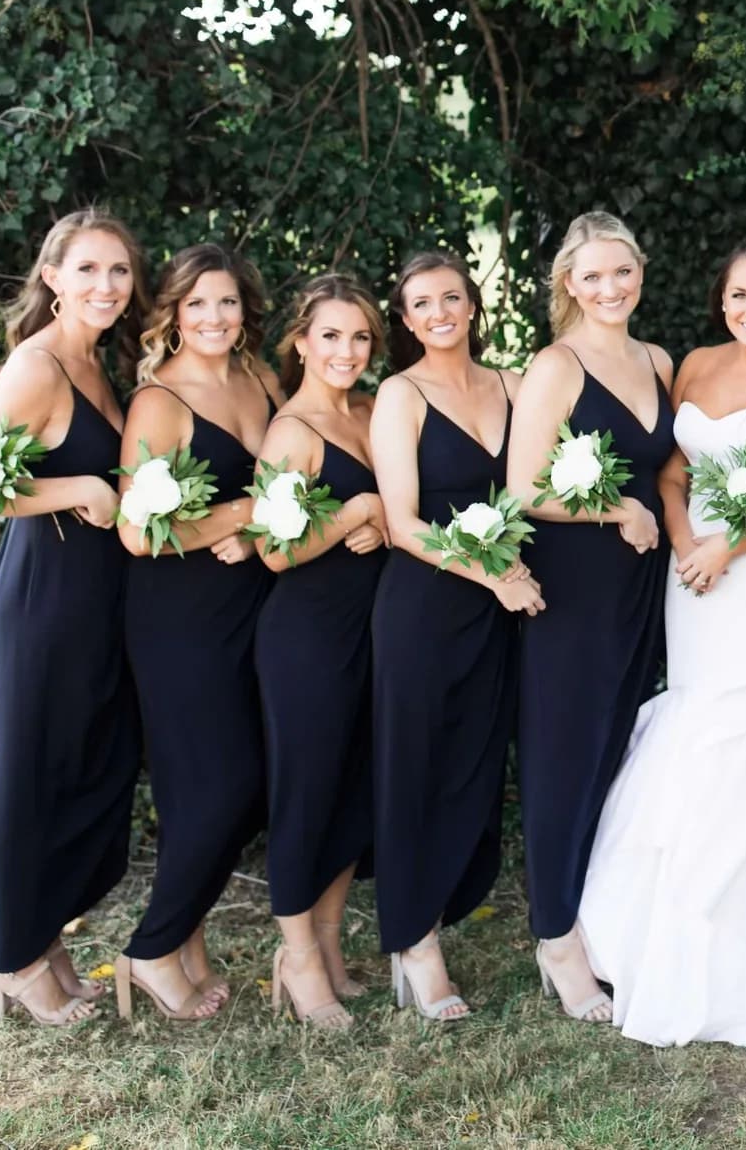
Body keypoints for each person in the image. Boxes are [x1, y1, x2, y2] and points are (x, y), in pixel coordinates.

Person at [579, 238, 746, 1046]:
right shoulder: (692, 365)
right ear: (720, 300)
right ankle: (653, 923)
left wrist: (733, 544)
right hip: (692, 575)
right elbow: (670, 477)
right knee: (695, 714)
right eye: (740, 296)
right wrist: (685, 542)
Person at [0, 209, 147, 1024]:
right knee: (35, 772)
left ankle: (43, 938)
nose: (106, 286)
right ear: (52, 278)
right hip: (44, 597)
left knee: (89, 763)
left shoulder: (98, 363)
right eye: (87, 270)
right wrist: (80, 488)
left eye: (118, 271)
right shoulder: (38, 364)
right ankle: (12, 960)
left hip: (97, 601)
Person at [507, 212, 675, 1023]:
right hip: (571, 588)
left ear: (640, 273)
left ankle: (597, 914)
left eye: (623, 272)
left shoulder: (659, 359)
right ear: (569, 284)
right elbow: (522, 489)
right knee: (562, 754)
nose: (611, 288)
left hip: (642, 589)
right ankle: (554, 939)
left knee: (614, 750)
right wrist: (615, 511)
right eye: (593, 276)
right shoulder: (556, 365)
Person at [368, 252, 538, 1022]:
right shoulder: (399, 396)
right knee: (416, 768)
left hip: (498, 612)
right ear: (405, 321)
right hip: (425, 607)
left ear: (473, 306)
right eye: (422, 304)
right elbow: (403, 526)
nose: (439, 313)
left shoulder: (511, 385)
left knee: (474, 767)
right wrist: (495, 575)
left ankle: (440, 904)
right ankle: (413, 942)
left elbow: (533, 491)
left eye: (452, 298)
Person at [113, 244, 278, 1020]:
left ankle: (188, 945)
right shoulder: (160, 403)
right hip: (179, 617)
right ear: (174, 315)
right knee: (225, 784)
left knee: (211, 788)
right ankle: (150, 949)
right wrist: (244, 512)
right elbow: (138, 531)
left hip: (255, 604)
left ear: (245, 311)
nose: (214, 317)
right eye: (198, 304)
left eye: (228, 303)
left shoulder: (263, 380)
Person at [252, 275, 389, 1029]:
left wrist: (382, 521)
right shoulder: (291, 432)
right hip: (307, 635)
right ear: (302, 341)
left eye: (360, 336)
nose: (346, 351)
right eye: (331, 336)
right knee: (307, 792)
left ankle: (330, 945)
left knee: (353, 791)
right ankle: (298, 958)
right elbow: (274, 550)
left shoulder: (372, 411)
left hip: (374, 628)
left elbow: (405, 509)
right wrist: (355, 513)